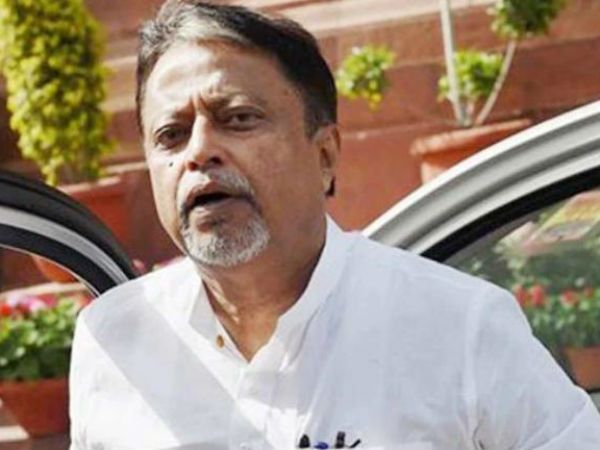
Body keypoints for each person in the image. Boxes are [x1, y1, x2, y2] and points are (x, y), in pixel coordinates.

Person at [68, 1, 600, 449]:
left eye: (238, 118)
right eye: (171, 134)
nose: (200, 151)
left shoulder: (460, 326)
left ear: (324, 155)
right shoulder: (113, 340)